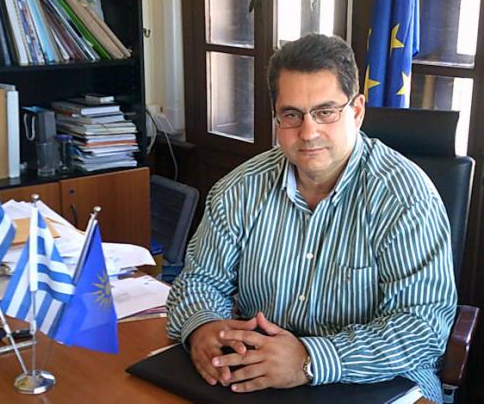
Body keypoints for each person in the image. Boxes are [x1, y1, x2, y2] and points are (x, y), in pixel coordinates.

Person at [166, 34, 456, 404]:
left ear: (357, 111)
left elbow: (423, 328)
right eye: (291, 115)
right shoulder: (239, 189)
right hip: (262, 374)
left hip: (380, 383)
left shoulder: (405, 197)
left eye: (325, 112)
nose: (308, 132)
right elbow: (199, 281)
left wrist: (310, 359)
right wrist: (204, 327)